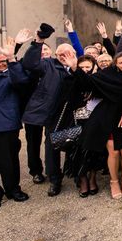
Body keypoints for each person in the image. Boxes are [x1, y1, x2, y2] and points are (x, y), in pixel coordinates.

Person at [59, 51, 122, 199]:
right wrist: (75, 67)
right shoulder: (108, 74)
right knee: (113, 152)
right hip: (108, 118)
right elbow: (88, 82)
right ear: (116, 64)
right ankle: (114, 182)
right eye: (121, 62)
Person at [21, 23, 74, 196]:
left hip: (63, 113)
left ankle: (63, 174)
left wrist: (74, 68)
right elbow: (29, 63)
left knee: (56, 144)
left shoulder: (77, 68)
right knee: (41, 143)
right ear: (55, 55)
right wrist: (39, 41)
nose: (64, 57)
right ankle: (52, 178)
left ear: (73, 54)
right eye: (60, 54)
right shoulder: (49, 65)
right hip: (43, 110)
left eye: (68, 54)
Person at [0, 42, 30, 210]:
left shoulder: (13, 74)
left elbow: (22, 81)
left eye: (2, 61)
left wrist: (12, 59)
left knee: (9, 161)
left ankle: (13, 189)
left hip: (6, 125)